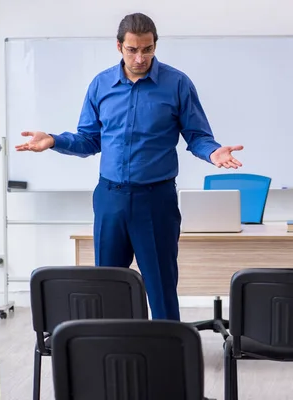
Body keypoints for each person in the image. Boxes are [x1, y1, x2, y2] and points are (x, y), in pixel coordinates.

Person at [15, 12, 243, 321]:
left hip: (156, 200)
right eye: (133, 49)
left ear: (155, 46)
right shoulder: (101, 85)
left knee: (161, 287)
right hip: (110, 199)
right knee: (108, 286)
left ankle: (168, 359)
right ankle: (113, 358)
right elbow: (88, 140)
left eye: (147, 49)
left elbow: (197, 135)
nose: (140, 57)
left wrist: (213, 152)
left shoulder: (177, 84)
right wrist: (54, 140)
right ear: (119, 46)